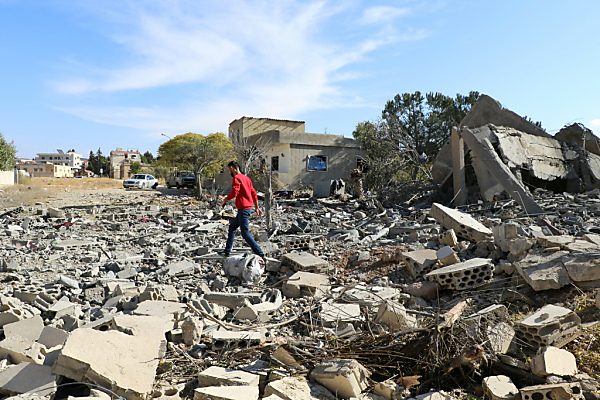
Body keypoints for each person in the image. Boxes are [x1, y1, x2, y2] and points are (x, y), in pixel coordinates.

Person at [220, 161, 264, 258]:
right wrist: (256, 207)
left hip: (243, 209)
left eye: (229, 170)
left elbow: (235, 192)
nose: (229, 173)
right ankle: (227, 251)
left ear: (232, 168)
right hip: (246, 208)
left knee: (245, 233)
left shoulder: (237, 178)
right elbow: (253, 193)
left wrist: (225, 200)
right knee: (232, 228)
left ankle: (260, 253)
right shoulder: (247, 178)